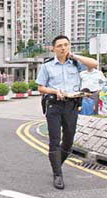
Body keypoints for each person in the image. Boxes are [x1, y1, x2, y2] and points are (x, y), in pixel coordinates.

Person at [36, 35, 98, 190]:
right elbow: (40, 88)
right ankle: (58, 174)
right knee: (55, 139)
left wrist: (74, 56)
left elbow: (94, 64)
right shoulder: (47, 66)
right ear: (53, 49)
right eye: (59, 46)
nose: (63, 48)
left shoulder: (76, 64)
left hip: (71, 105)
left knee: (69, 141)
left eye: (66, 45)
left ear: (69, 46)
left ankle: (57, 163)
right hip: (54, 105)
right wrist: (54, 91)